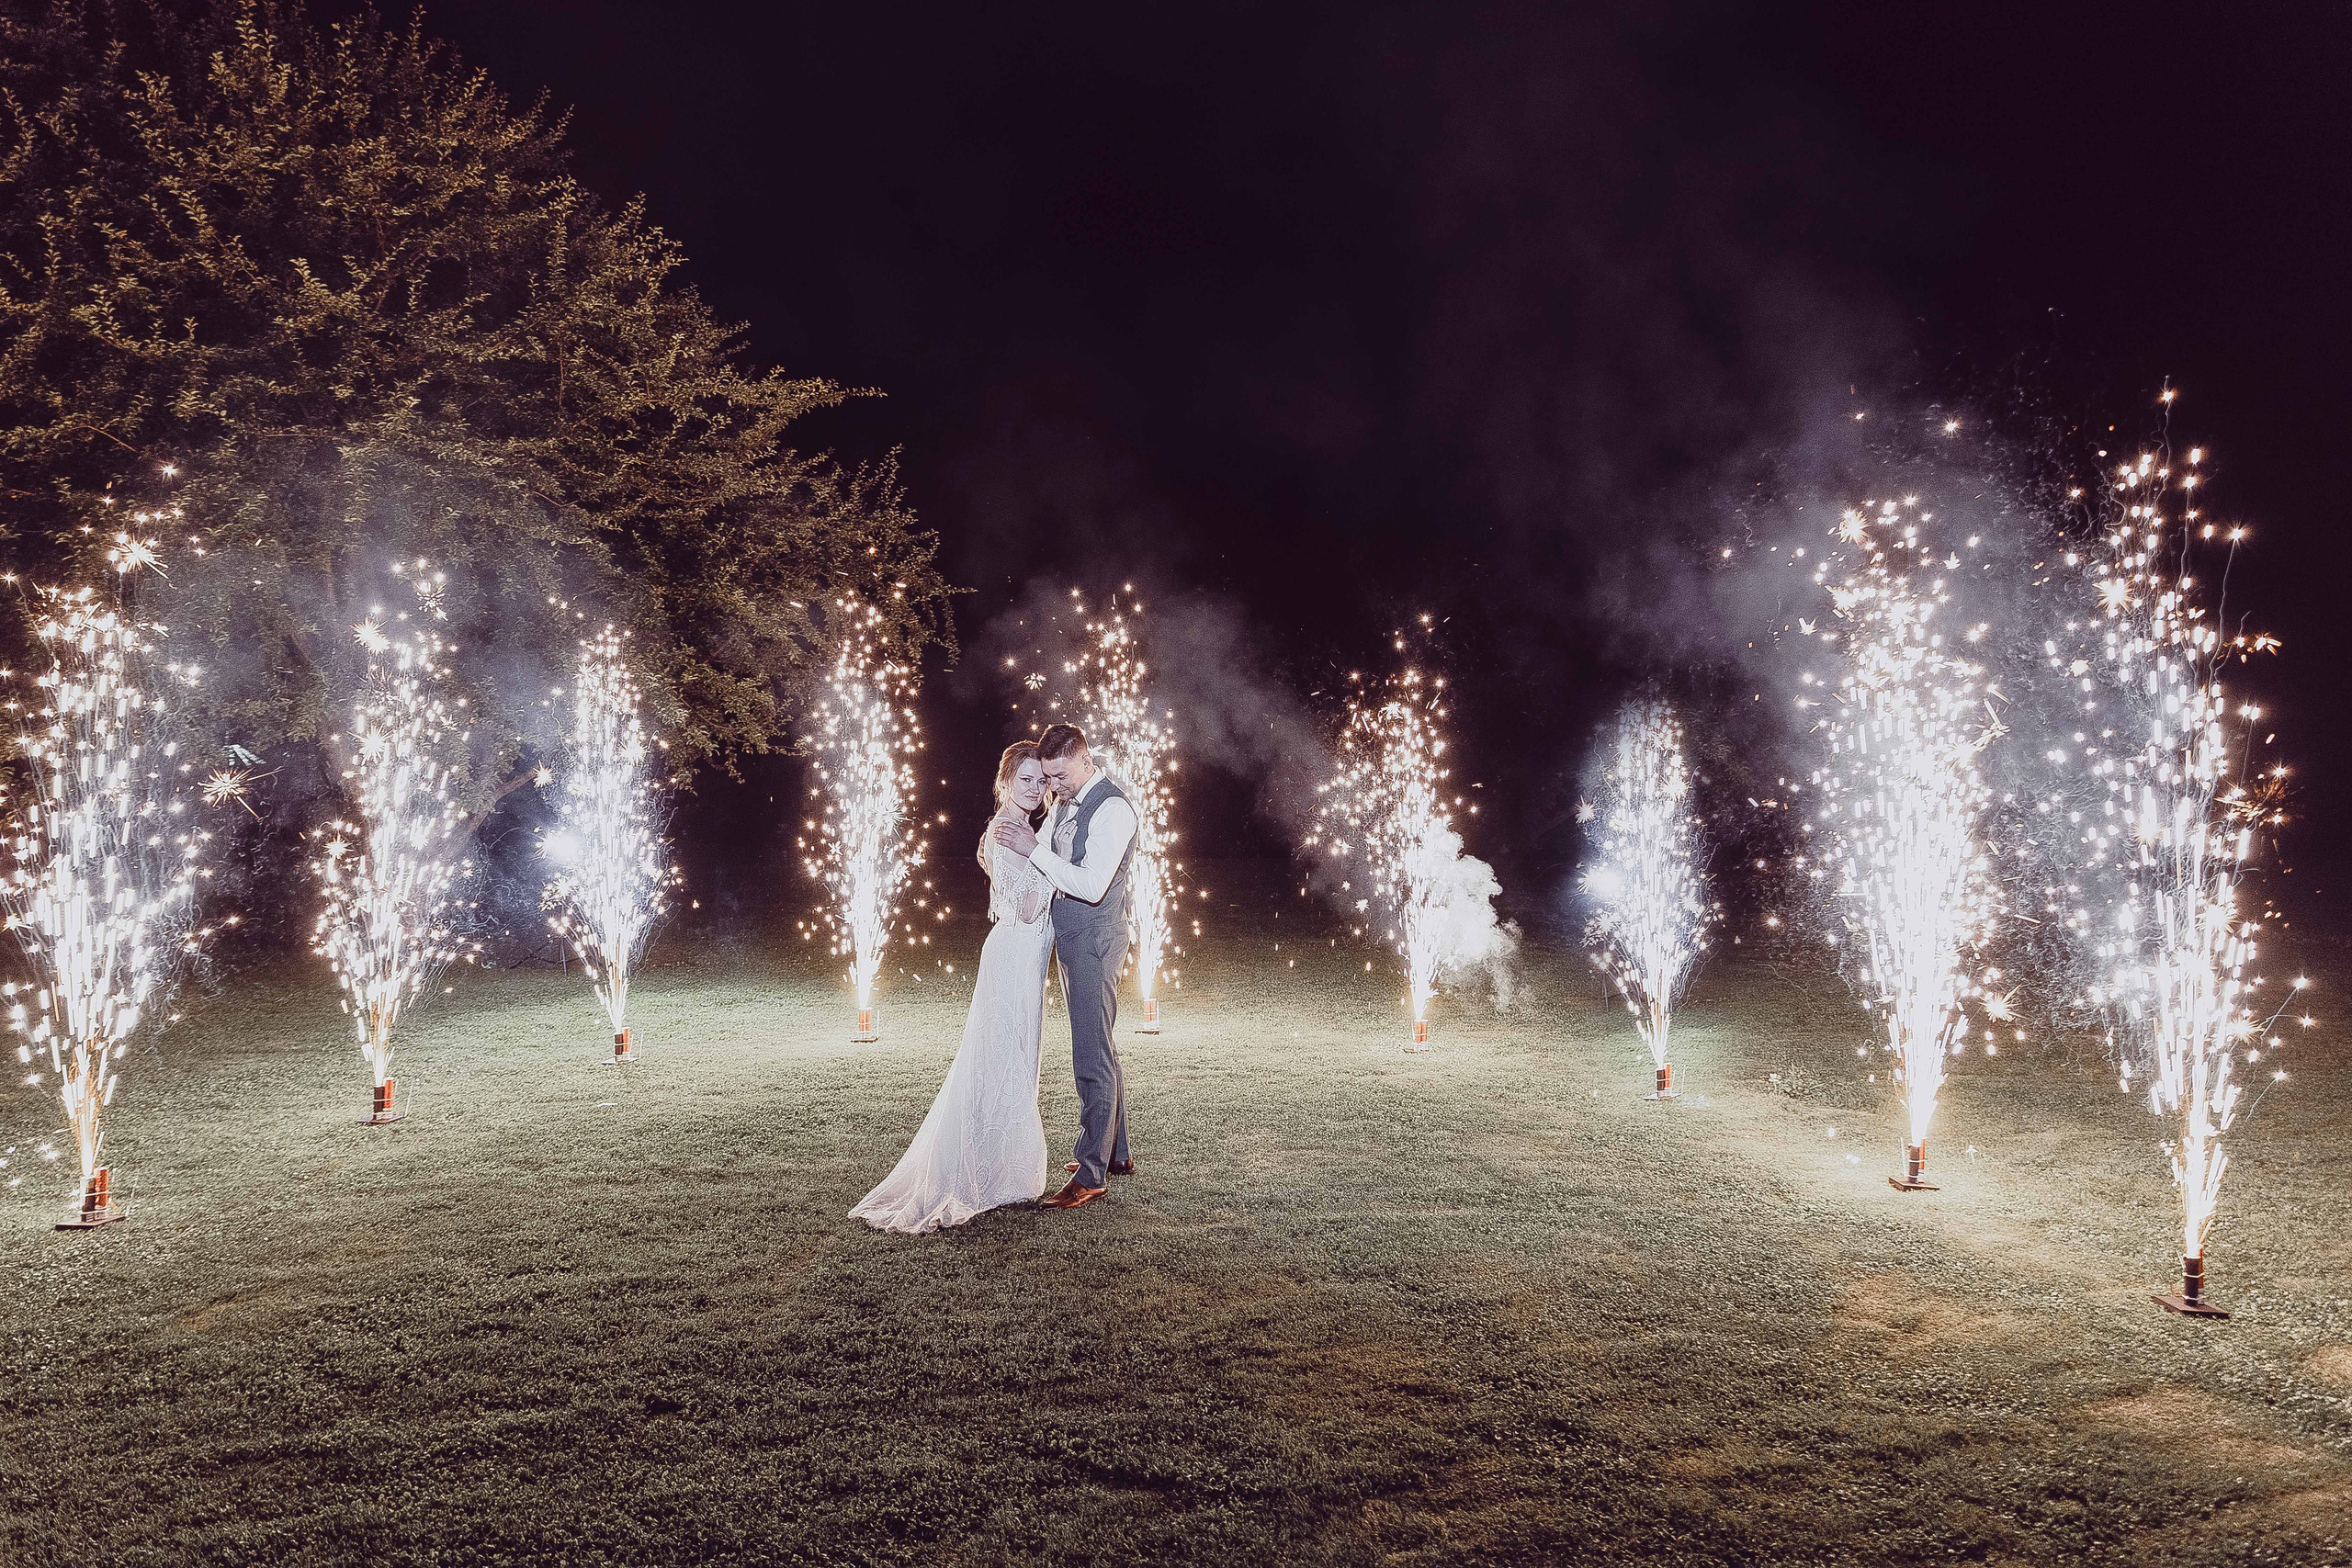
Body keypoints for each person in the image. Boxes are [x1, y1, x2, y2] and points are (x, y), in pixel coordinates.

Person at [851, 743, 1054, 1233]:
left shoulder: (1016, 827)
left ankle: (1000, 1164)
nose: (1035, 788)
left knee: (1012, 1059)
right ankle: (995, 1173)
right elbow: (1026, 907)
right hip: (1014, 955)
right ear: (1005, 780)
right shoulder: (1008, 832)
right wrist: (1055, 859)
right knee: (1003, 1059)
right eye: (1025, 779)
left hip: (1021, 956)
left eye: (1040, 780)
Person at [991, 722, 1135, 1210]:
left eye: (1056, 776)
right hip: (1072, 939)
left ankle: (1091, 1174)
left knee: (1090, 1055)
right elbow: (1042, 860)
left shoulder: (1113, 809)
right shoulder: (1066, 804)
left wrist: (1032, 849)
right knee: (1101, 1043)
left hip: (1095, 940)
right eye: (1045, 778)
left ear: (1081, 760)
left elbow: (1091, 885)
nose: (1051, 787)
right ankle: (1115, 1151)